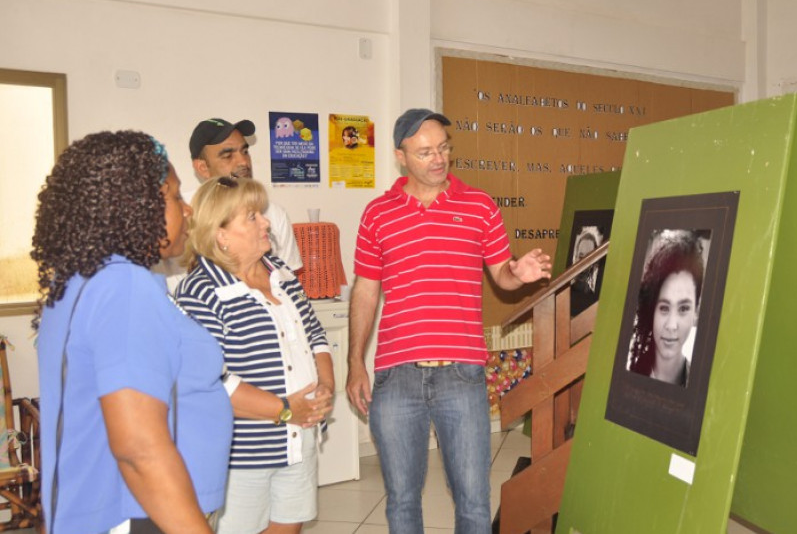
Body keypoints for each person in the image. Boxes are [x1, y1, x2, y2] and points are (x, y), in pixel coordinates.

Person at [345, 108, 552, 533]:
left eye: (443, 148)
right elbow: (365, 290)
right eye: (425, 152)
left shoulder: (479, 206)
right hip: (395, 374)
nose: (438, 159)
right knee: (402, 500)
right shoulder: (377, 214)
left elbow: (502, 275)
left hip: (462, 374)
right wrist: (354, 362)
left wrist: (519, 273)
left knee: (473, 501)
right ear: (401, 156)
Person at [32, 131, 232, 533]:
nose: (188, 209)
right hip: (136, 514)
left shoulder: (79, 280)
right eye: (175, 196)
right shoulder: (123, 287)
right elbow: (139, 448)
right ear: (136, 205)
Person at [175, 176, 334, 534]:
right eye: (252, 217)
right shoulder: (200, 291)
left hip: (297, 440)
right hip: (242, 453)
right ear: (221, 234)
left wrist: (324, 386)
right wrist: (287, 409)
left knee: (288, 528)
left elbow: (315, 335)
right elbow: (211, 380)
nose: (266, 223)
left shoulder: (281, 273)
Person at [628, 229, 704, 386]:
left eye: (683, 309)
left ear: (696, 311)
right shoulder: (627, 375)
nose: (671, 325)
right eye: (663, 308)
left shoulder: (699, 386)